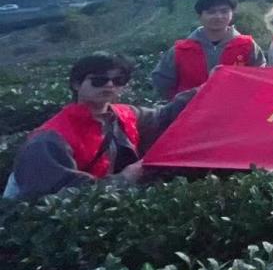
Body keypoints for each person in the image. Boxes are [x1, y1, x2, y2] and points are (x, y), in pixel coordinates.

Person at [5, 54, 195, 200]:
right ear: (76, 84)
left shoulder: (123, 114)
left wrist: (205, 88)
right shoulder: (49, 140)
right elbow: (59, 197)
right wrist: (126, 178)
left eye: (118, 81)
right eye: (98, 80)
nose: (109, 85)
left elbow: (165, 116)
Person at [152, 0, 265, 98]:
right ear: (200, 15)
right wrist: (180, 101)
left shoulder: (247, 46)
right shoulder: (180, 50)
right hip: (191, 109)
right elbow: (162, 82)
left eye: (224, 11)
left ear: (232, 13)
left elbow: (260, 77)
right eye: (211, 12)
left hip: (236, 108)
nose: (218, 16)